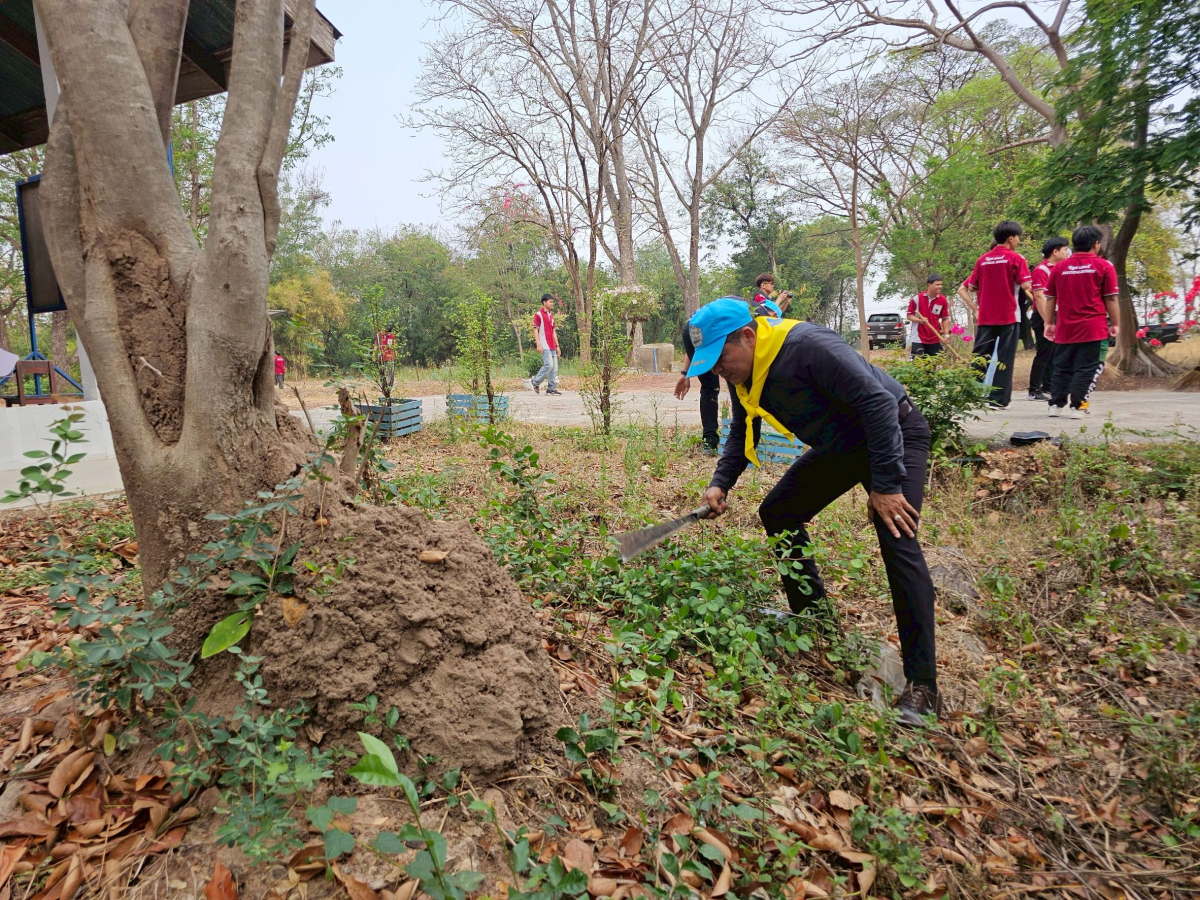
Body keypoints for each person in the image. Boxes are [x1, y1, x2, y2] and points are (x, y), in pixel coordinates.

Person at [688, 298, 942, 725]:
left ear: (747, 337)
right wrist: (720, 483)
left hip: (895, 431)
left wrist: (885, 485)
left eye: (720, 358)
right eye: (709, 364)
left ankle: (924, 687)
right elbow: (741, 430)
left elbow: (878, 405)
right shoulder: (743, 372)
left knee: (896, 535)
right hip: (842, 447)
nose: (718, 370)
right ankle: (813, 620)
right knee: (779, 512)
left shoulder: (808, 345)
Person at [1043, 225, 1119, 418]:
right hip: (1092, 328)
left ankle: (1055, 405)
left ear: (1074, 245)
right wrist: (1116, 323)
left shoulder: (1059, 268)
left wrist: (1048, 323)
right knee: (1086, 368)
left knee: (1062, 367)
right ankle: (1078, 406)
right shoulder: (1104, 266)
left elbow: (1050, 298)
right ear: (1096, 244)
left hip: (1065, 327)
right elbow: (1110, 298)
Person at [958, 221, 1033, 409]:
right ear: (1010, 238)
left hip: (986, 317)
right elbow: (1026, 286)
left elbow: (972, 286)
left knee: (980, 356)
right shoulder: (1017, 259)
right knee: (1004, 358)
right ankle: (997, 400)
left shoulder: (982, 260)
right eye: (1018, 238)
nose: (1018, 241)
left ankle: (971, 395)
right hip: (1009, 315)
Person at [1028, 237, 1070, 401]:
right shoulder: (1042, 270)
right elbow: (1039, 297)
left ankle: (1049, 386)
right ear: (1055, 251)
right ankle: (1033, 389)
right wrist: (1048, 321)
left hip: (1057, 314)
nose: (1067, 252)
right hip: (1043, 316)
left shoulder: (1060, 269)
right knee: (1044, 353)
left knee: (1054, 352)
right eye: (1065, 249)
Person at [907, 276, 951, 357]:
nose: (940, 287)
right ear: (929, 285)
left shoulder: (942, 300)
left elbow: (945, 319)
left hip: (934, 337)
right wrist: (920, 321)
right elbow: (909, 316)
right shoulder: (917, 299)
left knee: (931, 366)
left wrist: (946, 335)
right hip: (918, 338)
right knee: (918, 365)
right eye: (937, 284)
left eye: (941, 284)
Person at [530, 293, 562, 396]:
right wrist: (538, 344)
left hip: (552, 344)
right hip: (544, 344)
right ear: (544, 302)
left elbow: (553, 331)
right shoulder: (538, 314)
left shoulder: (551, 315)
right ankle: (535, 382)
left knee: (555, 368)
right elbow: (535, 329)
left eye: (553, 302)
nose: (552, 304)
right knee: (549, 365)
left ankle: (551, 388)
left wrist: (557, 346)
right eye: (550, 302)